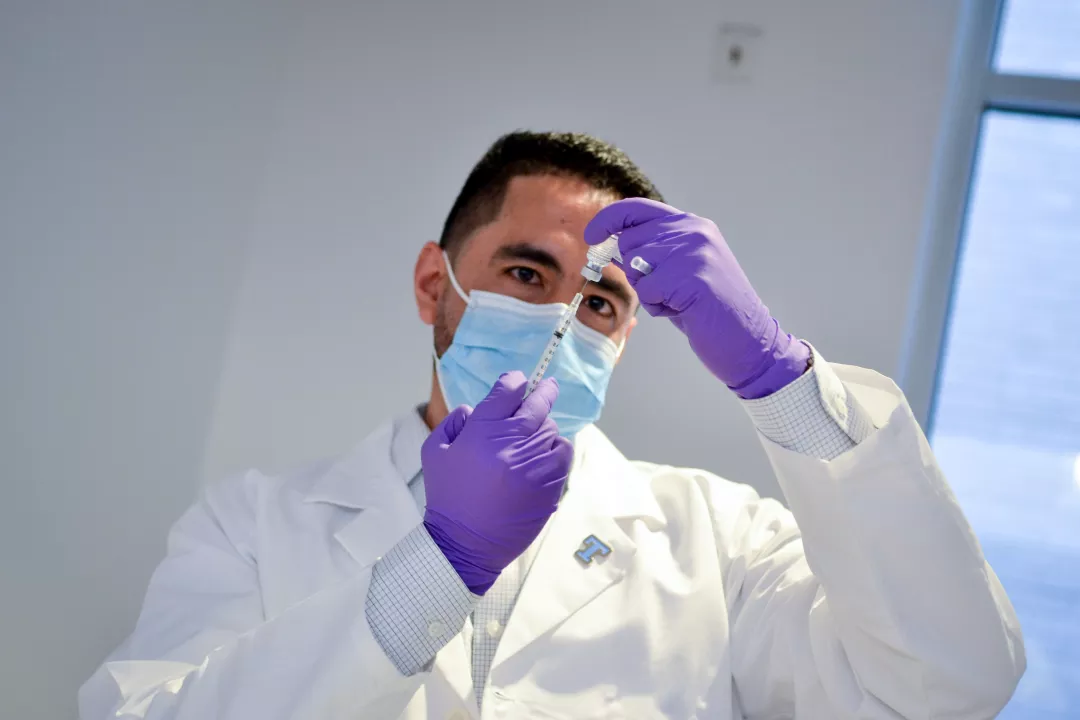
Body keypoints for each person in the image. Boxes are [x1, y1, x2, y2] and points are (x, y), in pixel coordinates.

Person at [80, 131, 1025, 719]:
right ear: (431, 285)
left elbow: (945, 684)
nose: (561, 322)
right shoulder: (254, 527)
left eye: (603, 301)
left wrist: (783, 383)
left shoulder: (719, 543)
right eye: (527, 275)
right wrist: (437, 568)